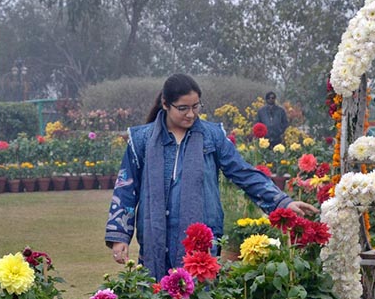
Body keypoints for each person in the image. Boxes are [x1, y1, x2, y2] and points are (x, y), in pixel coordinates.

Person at [105, 74, 317, 279]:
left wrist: (282, 202)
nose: (191, 114)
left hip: (201, 239)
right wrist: (120, 236)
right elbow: (126, 189)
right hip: (155, 240)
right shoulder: (142, 139)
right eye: (183, 108)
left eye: (196, 107)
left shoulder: (212, 136)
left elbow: (243, 172)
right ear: (165, 104)